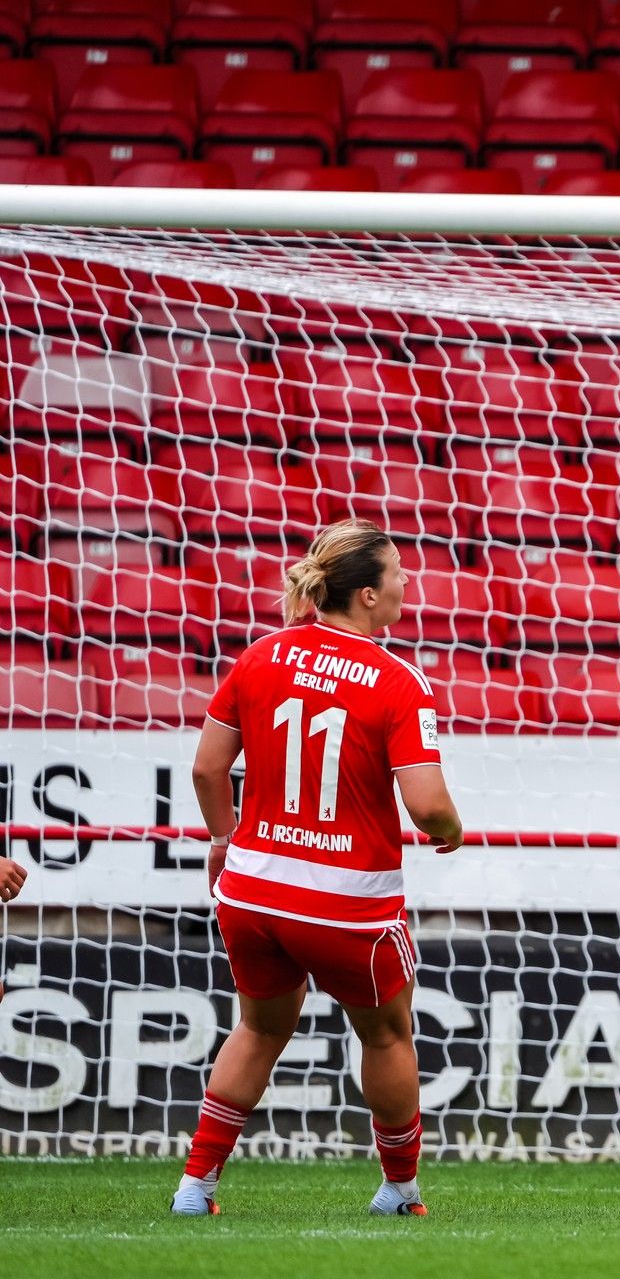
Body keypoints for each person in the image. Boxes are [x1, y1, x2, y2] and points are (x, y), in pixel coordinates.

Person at [172, 519, 464, 1218]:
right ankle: (398, 1188)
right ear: (367, 594)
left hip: (252, 888)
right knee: (386, 1032)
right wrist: (451, 829)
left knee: (260, 1028)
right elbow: (426, 806)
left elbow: (209, 767)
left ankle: (195, 1186)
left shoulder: (261, 656)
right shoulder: (398, 680)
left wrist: (222, 839)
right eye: (395, 572)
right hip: (345, 902)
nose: (404, 582)